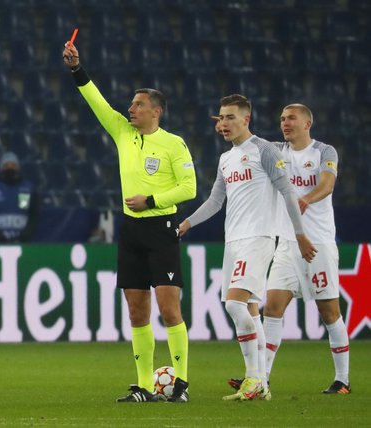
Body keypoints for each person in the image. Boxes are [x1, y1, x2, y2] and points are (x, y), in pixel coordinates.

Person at [63, 42, 196, 403]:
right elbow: (97, 102)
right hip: (132, 230)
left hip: (162, 229)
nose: (130, 109)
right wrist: (77, 69)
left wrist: (151, 200)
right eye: (131, 104)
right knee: (137, 310)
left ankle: (180, 382)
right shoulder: (123, 132)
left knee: (170, 309)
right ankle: (145, 386)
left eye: (137, 105)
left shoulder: (173, 145)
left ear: (156, 111)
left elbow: (190, 187)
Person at [178, 94, 316, 402]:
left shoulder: (263, 150)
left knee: (234, 305)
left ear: (246, 119)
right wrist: (187, 223)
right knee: (250, 310)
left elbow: (287, 192)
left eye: (230, 117)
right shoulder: (226, 159)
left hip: (259, 237)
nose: (223, 123)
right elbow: (216, 201)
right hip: (234, 242)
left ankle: (255, 377)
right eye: (221, 118)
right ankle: (261, 382)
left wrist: (301, 234)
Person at [227, 104, 350, 394]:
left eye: (291, 118)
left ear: (308, 123)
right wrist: (229, 123)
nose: (285, 123)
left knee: (329, 311)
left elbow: (328, 184)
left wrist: (305, 199)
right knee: (272, 307)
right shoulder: (275, 150)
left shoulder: (324, 152)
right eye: (282, 118)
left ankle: (342, 379)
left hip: (318, 243)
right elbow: (250, 140)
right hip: (286, 243)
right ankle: (262, 377)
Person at [0, 151, 40, 242]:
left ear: (18, 168)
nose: (10, 168)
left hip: (22, 242)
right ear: (1, 168)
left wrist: (23, 237)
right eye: (6, 165)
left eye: (13, 165)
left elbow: (34, 215)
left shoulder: (27, 189)